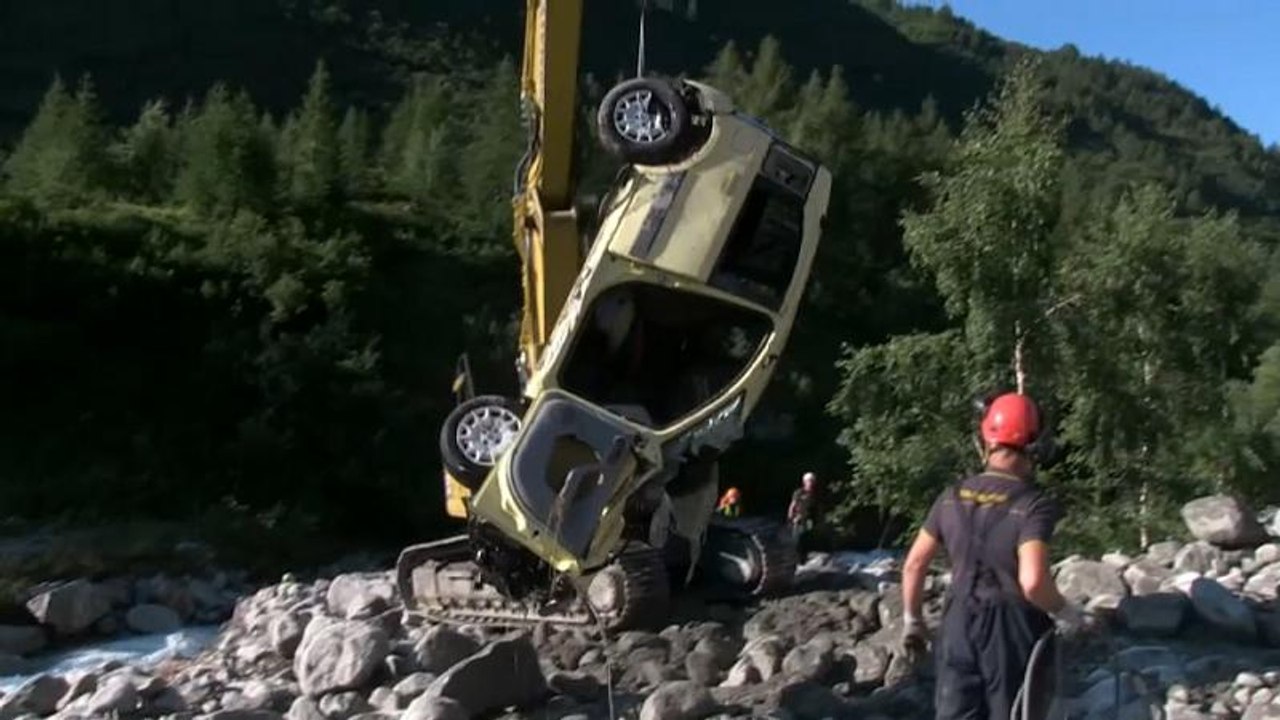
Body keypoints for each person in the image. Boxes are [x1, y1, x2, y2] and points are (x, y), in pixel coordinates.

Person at [899, 392, 1088, 720]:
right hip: (1011, 629)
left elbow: (914, 565)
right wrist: (1067, 612)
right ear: (1035, 443)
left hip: (958, 620)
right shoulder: (1033, 505)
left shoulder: (950, 497)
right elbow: (1032, 582)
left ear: (986, 438)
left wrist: (912, 621)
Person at [787, 472, 818, 544]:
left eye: (812, 481)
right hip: (799, 519)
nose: (811, 483)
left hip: (810, 519)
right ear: (804, 482)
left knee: (809, 537)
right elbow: (792, 505)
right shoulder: (799, 492)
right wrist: (790, 517)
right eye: (809, 481)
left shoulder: (815, 494)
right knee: (798, 538)